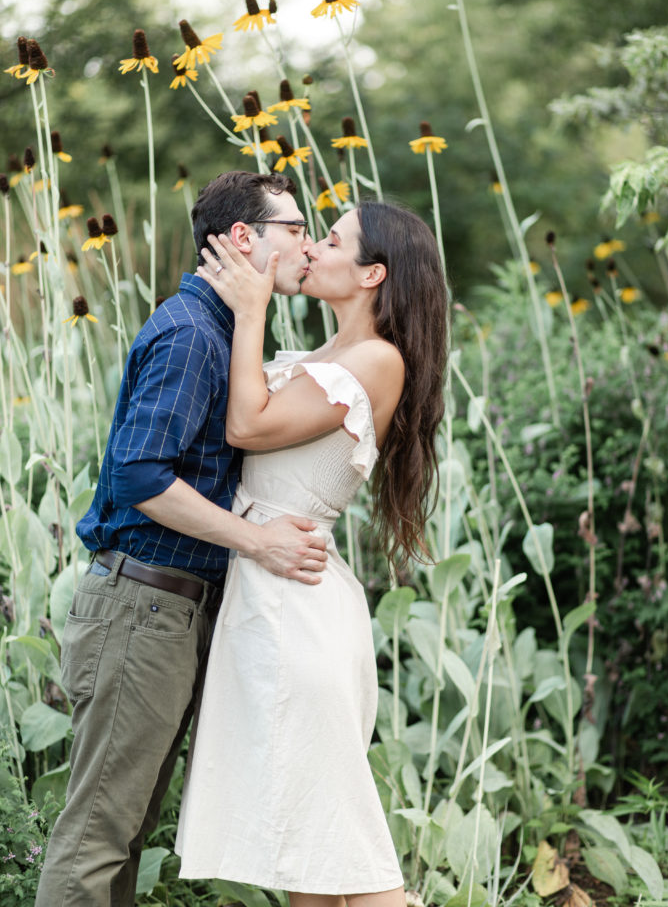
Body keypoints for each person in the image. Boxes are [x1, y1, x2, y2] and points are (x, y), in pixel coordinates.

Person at [36, 171, 329, 907]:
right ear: (240, 238)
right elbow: (138, 474)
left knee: (125, 830)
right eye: (293, 228)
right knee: (98, 834)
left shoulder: (224, 330)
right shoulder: (193, 334)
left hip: (166, 613)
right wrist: (256, 542)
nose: (307, 242)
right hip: (140, 607)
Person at [175, 201, 449, 905]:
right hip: (273, 598)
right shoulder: (327, 358)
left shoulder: (374, 359)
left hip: (297, 614)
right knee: (309, 857)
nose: (313, 249)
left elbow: (246, 423)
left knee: (348, 855)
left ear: (371, 275)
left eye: (330, 241)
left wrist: (250, 310)